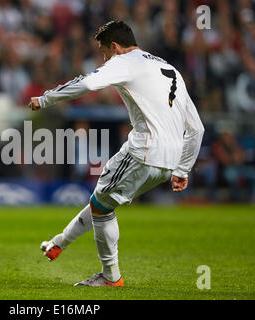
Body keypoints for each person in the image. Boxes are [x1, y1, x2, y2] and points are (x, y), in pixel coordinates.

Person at [28, 20, 205, 287]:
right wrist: (182, 169)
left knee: (101, 207)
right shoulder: (169, 68)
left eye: (103, 53)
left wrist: (45, 99)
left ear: (114, 47)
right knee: (102, 202)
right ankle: (59, 243)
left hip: (144, 149)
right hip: (169, 159)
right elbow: (197, 127)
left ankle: (111, 277)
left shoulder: (125, 61)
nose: (104, 59)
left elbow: (87, 84)